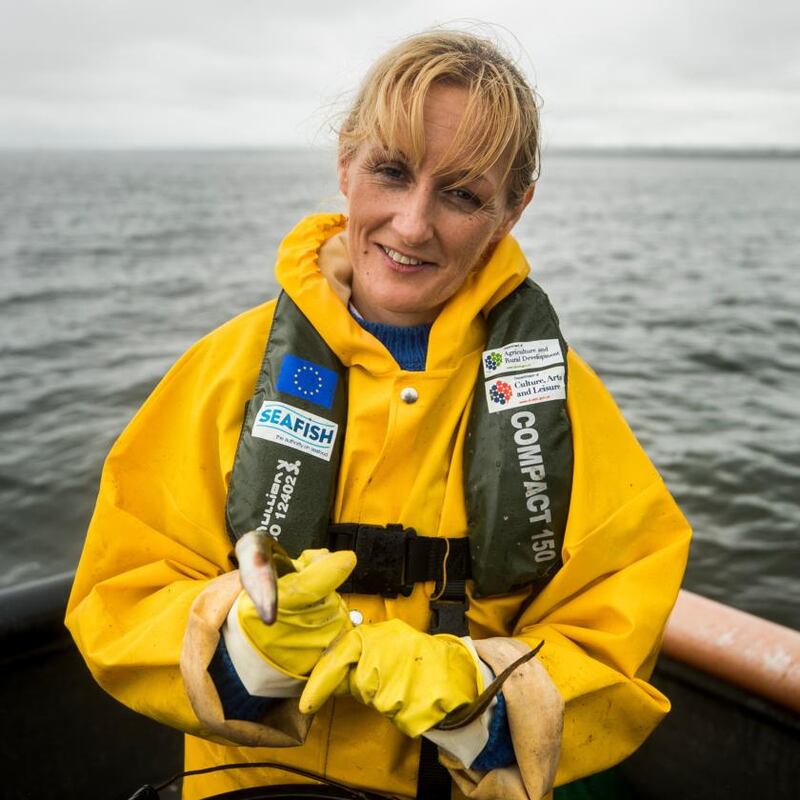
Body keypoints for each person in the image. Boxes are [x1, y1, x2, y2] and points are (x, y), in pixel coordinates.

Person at [66, 29, 691, 800]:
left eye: (462, 194)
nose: (412, 223)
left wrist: (481, 699)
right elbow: (117, 594)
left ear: (512, 210)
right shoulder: (225, 372)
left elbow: (616, 640)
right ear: (346, 163)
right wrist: (238, 641)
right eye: (391, 172)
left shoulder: (563, 405)